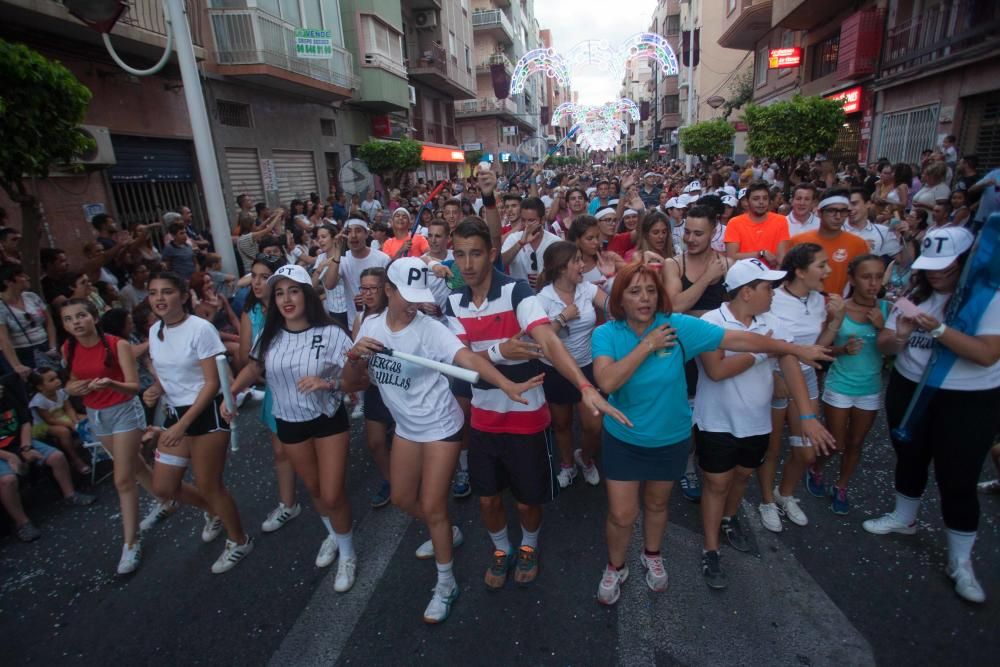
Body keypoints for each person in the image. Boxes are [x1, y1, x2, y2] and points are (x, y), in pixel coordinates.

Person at [591, 262, 832, 604]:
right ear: (620, 299)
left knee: (658, 504)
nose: (644, 298)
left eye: (650, 290)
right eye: (634, 291)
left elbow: (734, 338)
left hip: (670, 438)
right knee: (621, 514)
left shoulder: (677, 326)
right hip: (624, 439)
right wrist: (647, 345)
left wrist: (792, 349)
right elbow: (607, 381)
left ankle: (652, 554)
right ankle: (616, 566)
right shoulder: (608, 334)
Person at [345, 257, 541, 622]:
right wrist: (355, 356)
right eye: (405, 296)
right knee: (403, 498)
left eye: (417, 297)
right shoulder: (370, 326)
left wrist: (505, 383)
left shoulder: (429, 329)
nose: (413, 305)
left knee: (433, 504)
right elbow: (351, 383)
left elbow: (466, 358)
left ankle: (445, 583)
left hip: (440, 425)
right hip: (406, 428)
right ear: (388, 291)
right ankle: (446, 532)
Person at [446, 218, 626, 591]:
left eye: (476, 253)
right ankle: (500, 550)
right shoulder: (452, 302)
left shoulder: (516, 293)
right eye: (459, 254)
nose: (467, 264)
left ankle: (527, 545)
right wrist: (500, 351)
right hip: (483, 419)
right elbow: (462, 358)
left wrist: (583, 384)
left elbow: (545, 337)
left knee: (528, 501)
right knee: (487, 501)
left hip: (526, 416)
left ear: (491, 254)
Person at [865, 227, 999, 604]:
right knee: (909, 457)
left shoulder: (989, 299)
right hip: (909, 387)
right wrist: (903, 334)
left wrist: (939, 329)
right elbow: (885, 343)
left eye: (947, 267)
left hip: (967, 399)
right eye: (932, 267)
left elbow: (987, 353)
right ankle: (903, 517)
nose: (938, 274)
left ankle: (961, 561)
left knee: (958, 478)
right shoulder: (914, 294)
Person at [694, 259, 831, 588]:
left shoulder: (773, 321)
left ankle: (729, 518)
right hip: (716, 422)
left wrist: (808, 417)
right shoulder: (712, 322)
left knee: (742, 476)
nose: (773, 293)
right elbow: (716, 370)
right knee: (716, 484)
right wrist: (761, 352)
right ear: (746, 293)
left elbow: (790, 363)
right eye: (767, 288)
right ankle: (710, 549)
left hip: (757, 422)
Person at [224, 264, 362, 589]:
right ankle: (334, 535)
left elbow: (358, 382)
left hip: (328, 419)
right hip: (288, 423)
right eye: (280, 293)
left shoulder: (331, 333)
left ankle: (348, 553)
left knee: (332, 492)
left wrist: (327, 383)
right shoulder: (270, 334)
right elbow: (254, 366)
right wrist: (230, 394)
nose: (286, 299)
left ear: (307, 295)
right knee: (314, 490)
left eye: (294, 291)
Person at [60, 299, 186, 572]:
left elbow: (133, 387)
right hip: (96, 415)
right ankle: (168, 499)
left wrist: (110, 383)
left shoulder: (118, 344)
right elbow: (69, 382)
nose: (76, 323)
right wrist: (75, 388)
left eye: (81, 316)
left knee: (122, 478)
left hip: (124, 412)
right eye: (68, 320)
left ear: (94, 317)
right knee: (136, 466)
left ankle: (131, 543)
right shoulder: (68, 347)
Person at [143, 272, 253, 574]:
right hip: (175, 414)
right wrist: (156, 389)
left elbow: (210, 383)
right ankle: (213, 512)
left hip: (205, 414)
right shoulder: (155, 331)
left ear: (182, 295)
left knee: (209, 484)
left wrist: (183, 425)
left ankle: (239, 540)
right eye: (154, 293)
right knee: (164, 486)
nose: (160, 299)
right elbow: (167, 376)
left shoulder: (200, 329)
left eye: (167, 291)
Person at [757, 244, 841, 532]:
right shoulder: (774, 300)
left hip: (805, 378)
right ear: (800, 271)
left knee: (807, 452)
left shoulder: (819, 300)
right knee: (772, 447)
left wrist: (836, 321)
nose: (828, 271)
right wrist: (776, 375)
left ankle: (786, 493)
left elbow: (818, 345)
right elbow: (765, 342)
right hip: (775, 377)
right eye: (822, 265)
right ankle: (767, 500)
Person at [809, 255, 889, 514]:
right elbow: (820, 349)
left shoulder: (888, 310)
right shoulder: (839, 309)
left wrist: (883, 328)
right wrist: (842, 349)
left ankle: (841, 486)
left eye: (878, 276)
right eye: (867, 277)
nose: (873, 283)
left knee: (856, 443)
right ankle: (817, 468)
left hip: (870, 388)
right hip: (840, 385)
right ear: (852, 279)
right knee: (836, 442)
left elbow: (897, 351)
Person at [238, 253, 303, 535]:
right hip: (274, 389)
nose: (257, 282)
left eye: (265, 277)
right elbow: (245, 359)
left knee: (308, 448)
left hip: (303, 388)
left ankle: (328, 501)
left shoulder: (295, 310)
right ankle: (288, 503)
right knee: (280, 451)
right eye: (254, 276)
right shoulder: (250, 313)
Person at [536, 242, 608, 488]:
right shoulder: (541, 298)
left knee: (594, 425)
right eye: (577, 260)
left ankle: (585, 458)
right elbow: (539, 340)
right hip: (555, 369)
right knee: (562, 424)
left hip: (587, 366)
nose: (583, 265)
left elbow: (613, 307)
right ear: (561, 268)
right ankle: (567, 464)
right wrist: (562, 317)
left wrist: (609, 279)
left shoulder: (586, 288)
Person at [0, 373, 95, 542]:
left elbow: (24, 422)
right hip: (2, 453)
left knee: (56, 457)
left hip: (20, 442)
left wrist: (25, 447)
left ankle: (70, 495)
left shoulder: (6, 395)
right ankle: (22, 523)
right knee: (8, 480)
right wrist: (10, 457)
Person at [351, 267, 394, 508]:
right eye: (363, 288)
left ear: (386, 290)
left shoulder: (396, 315)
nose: (367, 294)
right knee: (375, 442)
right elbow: (354, 352)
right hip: (375, 386)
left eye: (373, 289)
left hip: (399, 386)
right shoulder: (360, 319)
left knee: (404, 440)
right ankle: (389, 480)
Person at [785, 189, 870, 296]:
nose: (838, 216)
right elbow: (788, 278)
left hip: (838, 307)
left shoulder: (858, 244)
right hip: (802, 306)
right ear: (820, 213)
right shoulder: (798, 241)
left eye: (843, 211)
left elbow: (862, 282)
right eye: (832, 211)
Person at [319, 218, 390, 332]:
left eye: (358, 231)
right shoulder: (342, 259)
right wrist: (337, 253)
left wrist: (371, 297)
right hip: (355, 323)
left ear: (367, 234)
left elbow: (392, 291)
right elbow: (329, 285)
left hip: (382, 321)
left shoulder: (382, 258)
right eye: (348, 232)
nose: (353, 235)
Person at [27, 368, 90, 474]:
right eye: (52, 380)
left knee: (87, 418)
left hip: (62, 416)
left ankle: (95, 447)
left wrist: (75, 421)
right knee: (63, 431)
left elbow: (69, 409)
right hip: (44, 424)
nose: (58, 381)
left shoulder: (60, 393)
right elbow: (49, 420)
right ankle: (75, 459)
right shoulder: (39, 401)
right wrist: (70, 424)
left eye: (57, 377)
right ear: (40, 387)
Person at [0, 264, 59, 377]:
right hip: (22, 352)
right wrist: (16, 365)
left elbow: (49, 322)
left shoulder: (31, 296)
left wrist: (52, 346)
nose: (27, 278)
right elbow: (3, 339)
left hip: (44, 346)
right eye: (21, 276)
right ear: (8, 282)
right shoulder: (1, 306)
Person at [723, 181, 789, 266]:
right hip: (743, 275)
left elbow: (781, 258)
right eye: (756, 199)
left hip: (773, 275)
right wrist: (760, 254)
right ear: (747, 201)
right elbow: (731, 257)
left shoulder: (781, 221)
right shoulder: (734, 223)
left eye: (765, 198)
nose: (761, 202)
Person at [501, 197, 561, 289]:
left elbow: (563, 272)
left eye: (531, 220)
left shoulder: (555, 242)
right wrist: (521, 243)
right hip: (520, 297)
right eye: (523, 220)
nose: (526, 225)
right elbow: (501, 263)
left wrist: (546, 278)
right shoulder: (513, 238)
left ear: (543, 219)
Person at [312, 224, 350, 330]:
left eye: (324, 237)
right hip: (330, 309)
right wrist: (320, 267)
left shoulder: (344, 258)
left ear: (334, 239)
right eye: (318, 238)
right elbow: (312, 285)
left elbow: (330, 284)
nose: (320, 240)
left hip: (346, 309)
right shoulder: (320, 258)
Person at [845, 188, 900, 260]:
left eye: (854, 204)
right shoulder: (836, 231)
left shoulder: (883, 232)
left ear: (868, 204)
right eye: (846, 205)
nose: (849, 208)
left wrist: (907, 237)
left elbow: (901, 261)